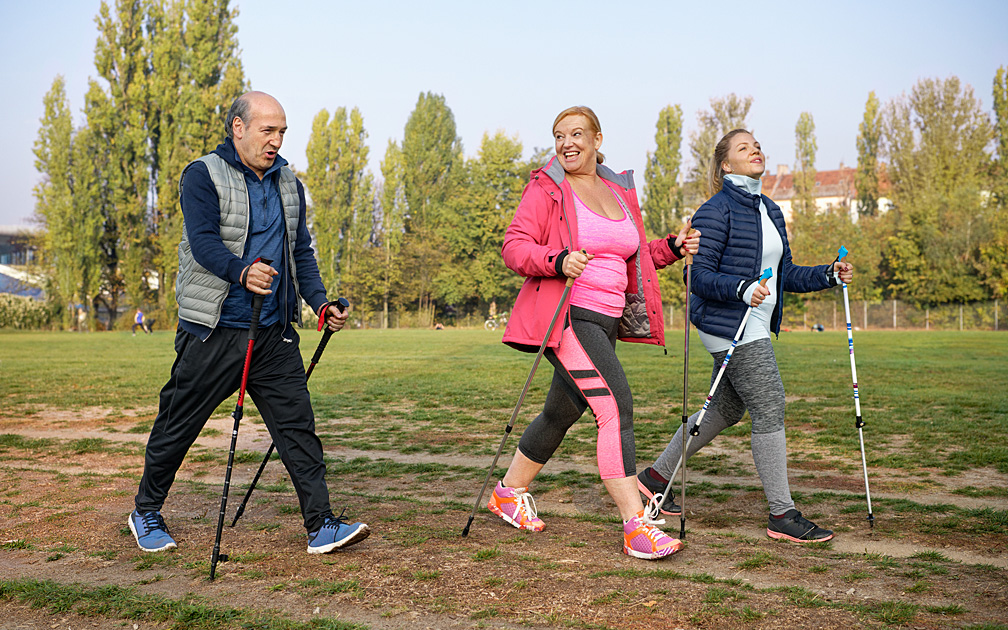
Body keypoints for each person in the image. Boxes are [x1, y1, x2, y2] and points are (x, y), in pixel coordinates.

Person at [129, 91, 370, 555]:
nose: (276, 140)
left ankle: (321, 525)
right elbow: (202, 243)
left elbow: (301, 254)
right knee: (178, 424)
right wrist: (241, 270)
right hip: (214, 328)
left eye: (281, 132)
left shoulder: (289, 184)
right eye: (268, 130)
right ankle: (146, 509)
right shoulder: (202, 175)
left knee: (298, 427)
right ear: (238, 128)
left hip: (275, 332)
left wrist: (320, 304)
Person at [490, 106, 700, 560]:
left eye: (577, 133)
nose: (568, 142)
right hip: (569, 317)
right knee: (615, 406)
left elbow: (631, 253)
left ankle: (509, 491)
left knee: (560, 414)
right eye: (559, 135)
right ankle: (635, 525)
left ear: (597, 139)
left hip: (607, 321)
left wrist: (671, 247)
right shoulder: (547, 189)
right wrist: (558, 260)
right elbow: (514, 246)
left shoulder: (618, 190)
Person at [636, 129, 854, 543]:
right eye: (742, 147)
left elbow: (785, 274)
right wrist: (740, 288)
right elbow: (696, 276)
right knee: (770, 404)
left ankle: (654, 476)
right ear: (725, 165)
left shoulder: (770, 210)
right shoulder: (714, 211)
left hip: (752, 323)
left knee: (726, 409)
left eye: (756, 144)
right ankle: (782, 514)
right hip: (728, 326)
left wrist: (828, 273)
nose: (754, 149)